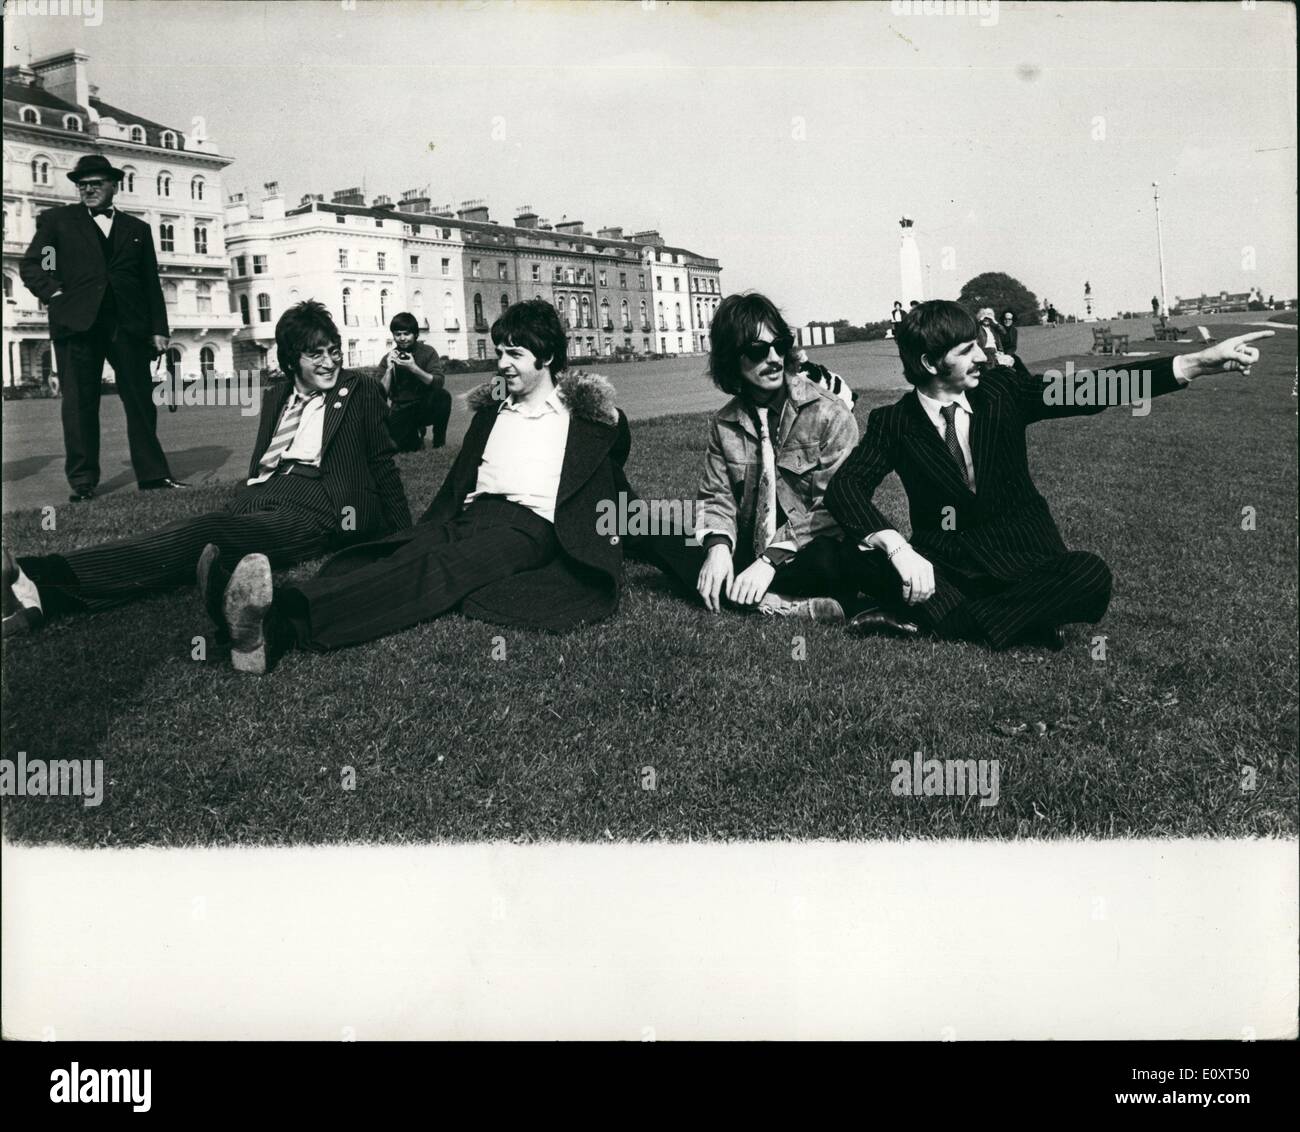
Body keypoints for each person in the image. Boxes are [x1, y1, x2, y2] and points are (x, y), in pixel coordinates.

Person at [207, 298, 633, 674]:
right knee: (401, 556)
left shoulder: (583, 420)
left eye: (515, 354)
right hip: (468, 515)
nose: (502, 363)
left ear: (547, 357)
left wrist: (700, 550)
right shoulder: (494, 411)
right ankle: (243, 619)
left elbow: (624, 500)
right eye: (499, 351)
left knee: (435, 571)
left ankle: (280, 624)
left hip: (526, 529)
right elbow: (460, 479)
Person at [824, 300, 1272, 650]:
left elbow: (1090, 389)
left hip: (1026, 560)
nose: (983, 356)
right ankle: (1023, 620)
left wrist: (1194, 363)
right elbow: (846, 488)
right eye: (967, 351)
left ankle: (939, 621)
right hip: (947, 565)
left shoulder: (1006, 390)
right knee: (856, 553)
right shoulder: (893, 422)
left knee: (1089, 576)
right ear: (928, 363)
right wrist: (897, 547)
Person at [2, 300, 410, 637]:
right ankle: (48, 591)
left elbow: (381, 463)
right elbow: (263, 462)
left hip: (315, 506)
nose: (329, 362)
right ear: (291, 359)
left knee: (203, 535)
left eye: (333, 351)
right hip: (260, 496)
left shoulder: (360, 390)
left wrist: (405, 537)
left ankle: (41, 578)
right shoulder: (277, 396)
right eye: (315, 353)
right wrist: (250, 494)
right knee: (187, 543)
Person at [628, 292, 872, 624]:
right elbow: (717, 496)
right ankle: (780, 603)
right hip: (749, 544)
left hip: (808, 545)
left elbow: (832, 508)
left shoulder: (829, 413)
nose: (773, 358)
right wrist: (717, 549)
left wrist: (769, 561)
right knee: (661, 536)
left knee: (830, 559)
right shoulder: (724, 422)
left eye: (780, 345)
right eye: (757, 351)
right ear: (732, 358)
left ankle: (751, 591)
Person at [18, 153, 184, 502]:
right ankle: (83, 484)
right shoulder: (57, 223)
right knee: (79, 405)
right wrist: (55, 293)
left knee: (140, 401)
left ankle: (153, 476)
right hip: (76, 325)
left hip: (128, 327)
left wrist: (159, 329)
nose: (88, 190)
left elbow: (149, 282)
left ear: (114, 186)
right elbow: (39, 264)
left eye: (96, 184)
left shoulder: (137, 230)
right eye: (83, 185)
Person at [379, 311, 451, 450]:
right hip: (401, 409)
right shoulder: (388, 357)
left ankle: (439, 443)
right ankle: (416, 435)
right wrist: (389, 370)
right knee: (402, 448)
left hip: (423, 405)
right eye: (398, 334)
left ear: (416, 334)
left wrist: (413, 368)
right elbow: (379, 393)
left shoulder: (428, 352)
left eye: (406, 334)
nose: (402, 338)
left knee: (443, 396)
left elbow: (438, 382)